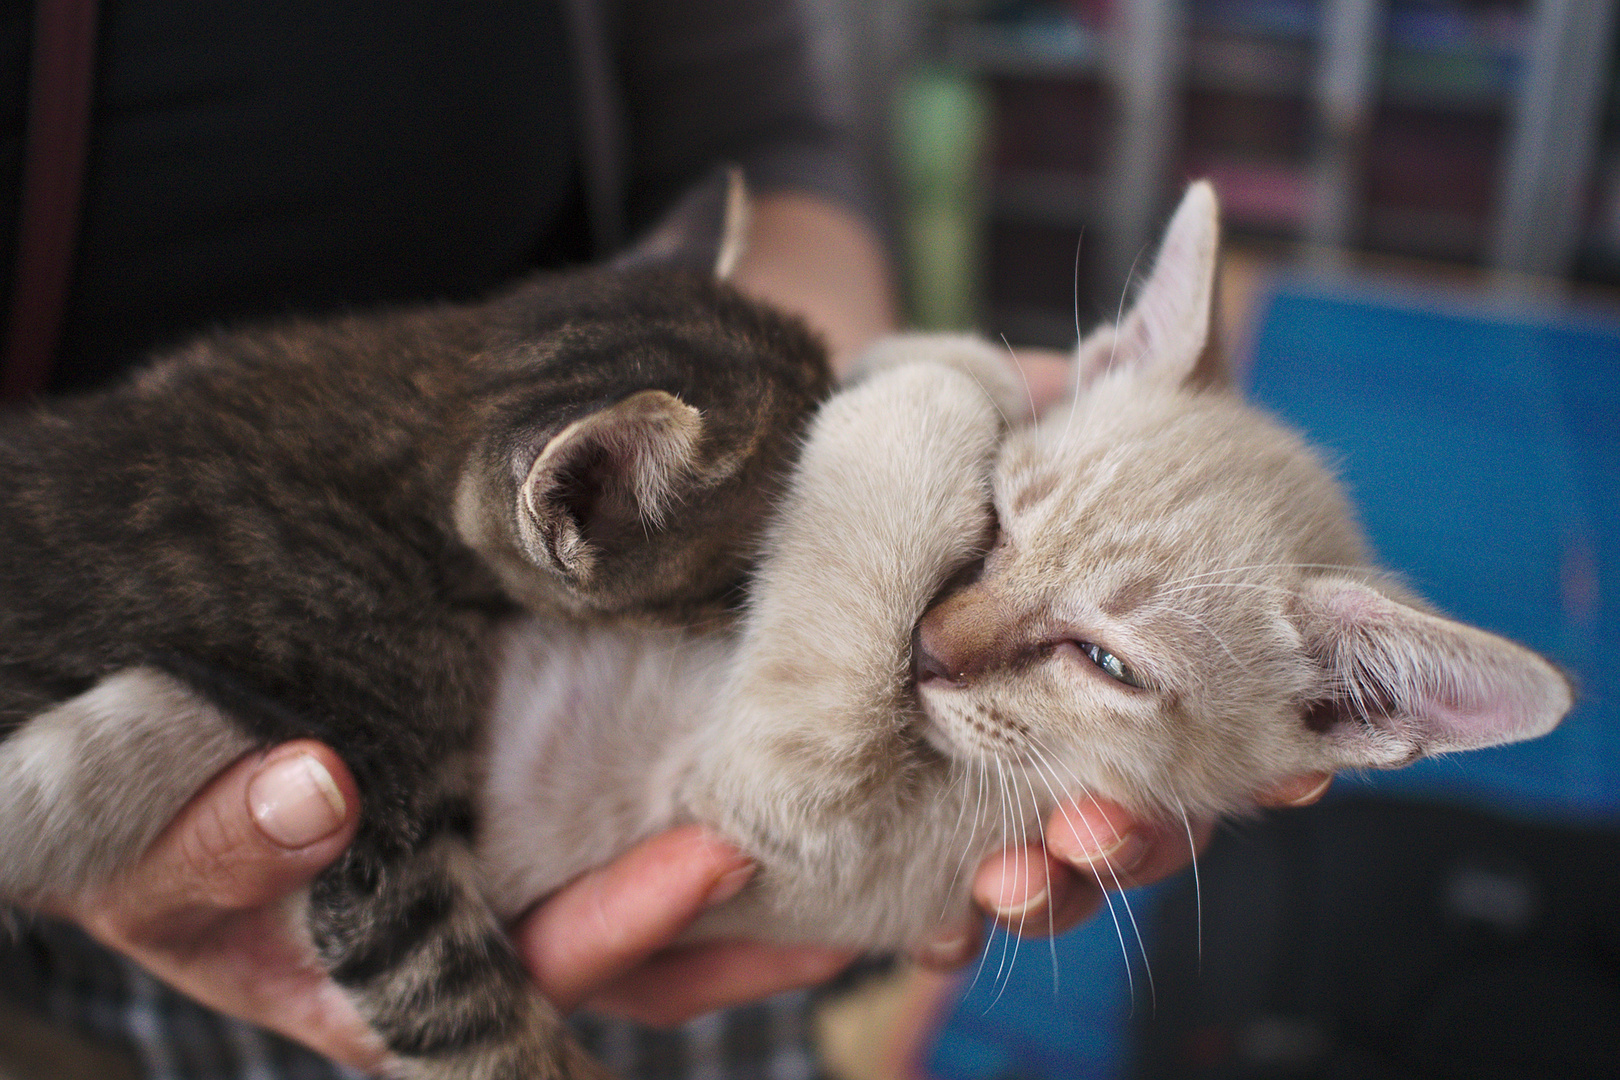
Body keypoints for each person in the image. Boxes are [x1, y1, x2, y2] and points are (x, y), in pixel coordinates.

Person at [2, 2, 1333, 1075]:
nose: (948, 630)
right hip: (279, 782)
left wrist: (880, 403)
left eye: (1105, 658)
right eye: (999, 526)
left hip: (595, 505)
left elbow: (763, 139)